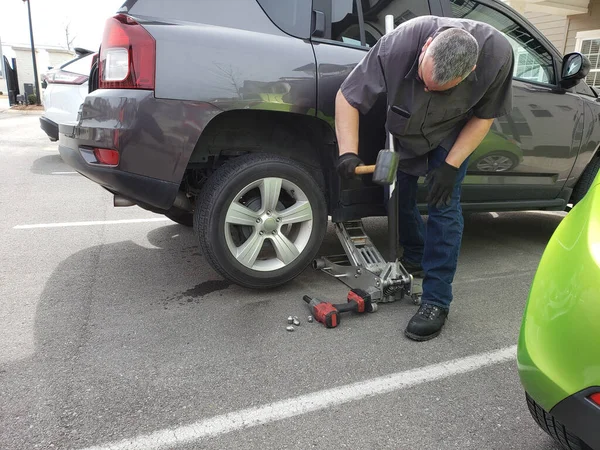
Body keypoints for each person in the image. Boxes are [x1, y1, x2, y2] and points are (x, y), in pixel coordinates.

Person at [335, 15, 514, 341]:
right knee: (399, 195)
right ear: (427, 46)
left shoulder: (497, 56)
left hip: (452, 134)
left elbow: (484, 117)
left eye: (438, 89)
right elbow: (348, 96)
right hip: (404, 130)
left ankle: (436, 300)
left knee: (444, 206)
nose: (427, 90)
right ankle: (416, 255)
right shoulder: (399, 43)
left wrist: (450, 165)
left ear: (468, 73)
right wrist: (348, 152)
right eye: (423, 80)